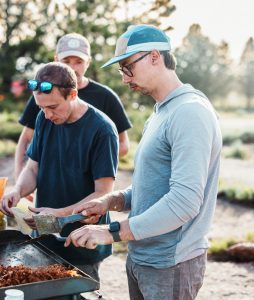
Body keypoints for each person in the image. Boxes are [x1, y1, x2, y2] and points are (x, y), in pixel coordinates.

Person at [65, 25, 223, 300]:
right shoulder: (162, 111)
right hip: (144, 255)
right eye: (121, 70)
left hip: (170, 263)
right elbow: (154, 186)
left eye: (128, 67)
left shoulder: (189, 113)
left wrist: (112, 232)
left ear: (154, 56)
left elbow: (185, 200)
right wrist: (111, 201)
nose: (125, 79)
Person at [0, 62, 119, 281]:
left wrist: (59, 214)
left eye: (53, 107)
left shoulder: (102, 130)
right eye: (41, 107)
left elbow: (103, 193)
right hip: (43, 239)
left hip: (81, 243)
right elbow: (33, 167)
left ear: (72, 94)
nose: (46, 115)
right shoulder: (43, 119)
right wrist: (17, 190)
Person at [14, 33, 132, 180]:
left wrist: (87, 160)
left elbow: (124, 145)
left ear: (88, 62)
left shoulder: (106, 96)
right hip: (48, 184)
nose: (72, 68)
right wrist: (19, 177)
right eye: (66, 61)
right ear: (56, 60)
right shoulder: (42, 93)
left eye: (78, 62)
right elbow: (26, 139)